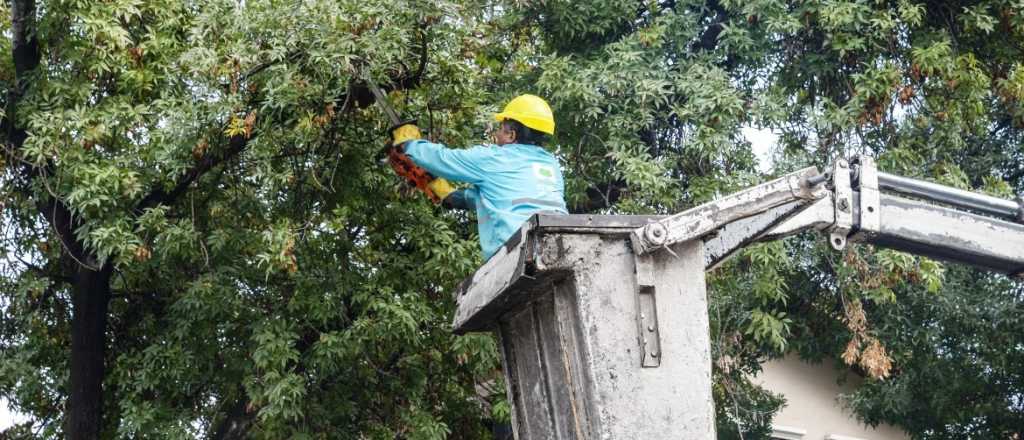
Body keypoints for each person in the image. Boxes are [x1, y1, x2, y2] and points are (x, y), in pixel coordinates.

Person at [400, 94, 568, 259]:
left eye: (500, 129)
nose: (497, 133)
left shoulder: (494, 158)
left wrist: (407, 144)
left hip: (518, 248)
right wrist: (452, 196)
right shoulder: (551, 164)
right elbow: (511, 198)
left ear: (511, 135)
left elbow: (443, 159)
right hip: (561, 241)